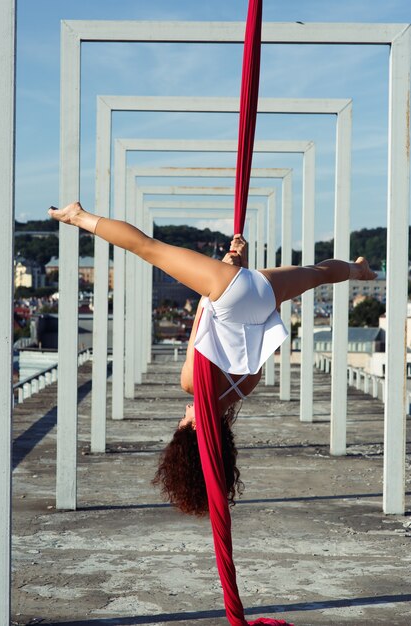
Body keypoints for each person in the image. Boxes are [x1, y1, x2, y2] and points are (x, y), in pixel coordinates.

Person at [48, 201, 377, 517]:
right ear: (190, 432)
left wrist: (237, 268)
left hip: (261, 296)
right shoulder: (191, 383)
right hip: (225, 291)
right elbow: (205, 316)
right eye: (180, 425)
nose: (181, 417)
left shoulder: (247, 386)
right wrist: (226, 270)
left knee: (316, 273)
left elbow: (254, 326)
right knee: (147, 248)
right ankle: (79, 217)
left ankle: (358, 270)